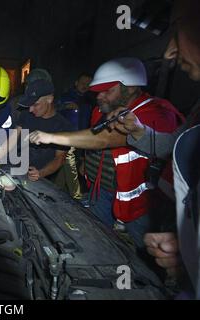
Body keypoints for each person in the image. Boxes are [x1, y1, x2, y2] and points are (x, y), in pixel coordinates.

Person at [27, 57, 184, 252]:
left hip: (140, 205)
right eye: (98, 91)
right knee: (94, 243)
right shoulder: (101, 110)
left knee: (147, 256)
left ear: (132, 87)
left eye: (108, 91)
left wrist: (50, 137)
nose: (100, 96)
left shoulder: (156, 112)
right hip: (100, 192)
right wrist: (86, 161)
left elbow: (104, 139)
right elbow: (92, 141)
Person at [105, 0, 200, 298]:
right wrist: (191, 252)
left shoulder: (159, 108)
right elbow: (173, 147)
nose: (169, 51)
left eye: (177, 29)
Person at [0, 79, 73, 183]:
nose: (31, 109)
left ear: (49, 99)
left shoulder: (63, 126)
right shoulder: (26, 114)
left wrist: (41, 173)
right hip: (14, 170)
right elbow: (13, 139)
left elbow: (60, 158)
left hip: (40, 179)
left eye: (35, 104)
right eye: (29, 105)